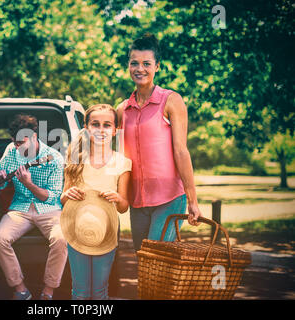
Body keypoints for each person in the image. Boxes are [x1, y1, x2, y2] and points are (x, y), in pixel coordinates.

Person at [116, 33, 203, 252]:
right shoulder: (122, 109)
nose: (140, 69)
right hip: (137, 202)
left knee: (155, 256)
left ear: (158, 66)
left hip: (169, 198)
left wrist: (192, 200)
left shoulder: (171, 100)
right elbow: (116, 159)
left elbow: (181, 152)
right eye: (134, 63)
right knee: (144, 264)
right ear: (128, 66)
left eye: (147, 63)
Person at [0, 114, 67, 300]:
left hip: (49, 208)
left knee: (61, 238)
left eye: (23, 143)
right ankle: (21, 289)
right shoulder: (11, 150)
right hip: (21, 207)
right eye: (16, 144)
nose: (20, 148)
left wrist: (29, 184)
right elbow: (0, 184)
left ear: (34, 136)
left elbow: (52, 196)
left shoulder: (54, 157)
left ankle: (48, 291)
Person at [60, 104, 131, 300]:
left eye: (107, 125)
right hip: (77, 226)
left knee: (100, 290)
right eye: (95, 124)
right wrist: (69, 194)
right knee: (80, 291)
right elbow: (63, 199)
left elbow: (124, 207)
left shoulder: (122, 162)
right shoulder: (76, 159)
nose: (101, 130)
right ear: (86, 128)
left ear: (115, 130)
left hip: (106, 228)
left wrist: (117, 198)